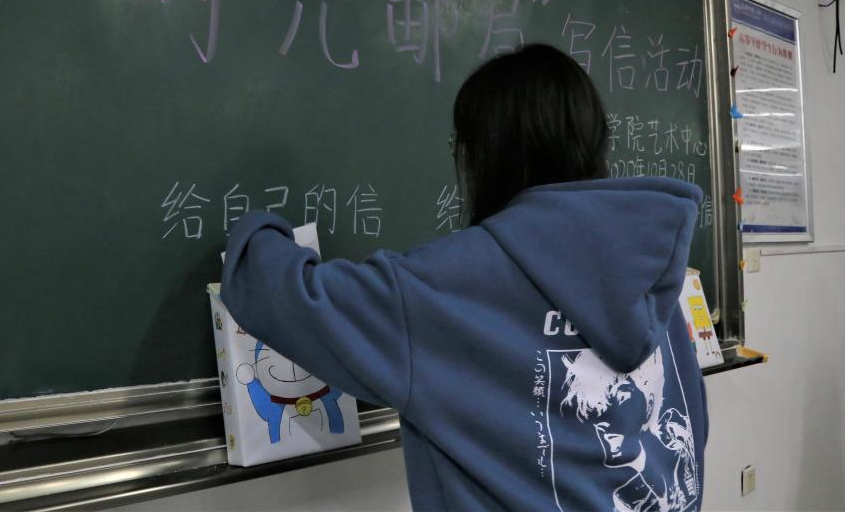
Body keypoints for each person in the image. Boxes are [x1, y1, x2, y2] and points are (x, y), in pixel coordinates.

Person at [221, 43, 708, 511]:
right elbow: (692, 420)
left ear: (485, 155)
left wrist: (257, 229)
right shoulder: (651, 268)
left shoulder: (447, 287)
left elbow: (276, 294)